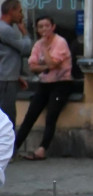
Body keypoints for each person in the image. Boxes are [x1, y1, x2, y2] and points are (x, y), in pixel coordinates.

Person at [13, 16, 74, 160]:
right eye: (41, 27)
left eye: (47, 26)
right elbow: (32, 66)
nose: (44, 29)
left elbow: (53, 64)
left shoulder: (60, 42)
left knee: (51, 116)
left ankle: (42, 149)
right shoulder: (38, 44)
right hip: (44, 84)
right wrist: (46, 66)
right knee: (30, 116)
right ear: (37, 29)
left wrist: (46, 51)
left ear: (53, 27)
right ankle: (13, 148)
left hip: (61, 84)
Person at [0, 0, 31, 127]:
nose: (21, 15)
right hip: (6, 80)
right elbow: (25, 48)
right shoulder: (5, 30)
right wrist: (25, 33)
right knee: (8, 116)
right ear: (11, 11)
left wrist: (17, 76)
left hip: (8, 76)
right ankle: (8, 146)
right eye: (19, 11)